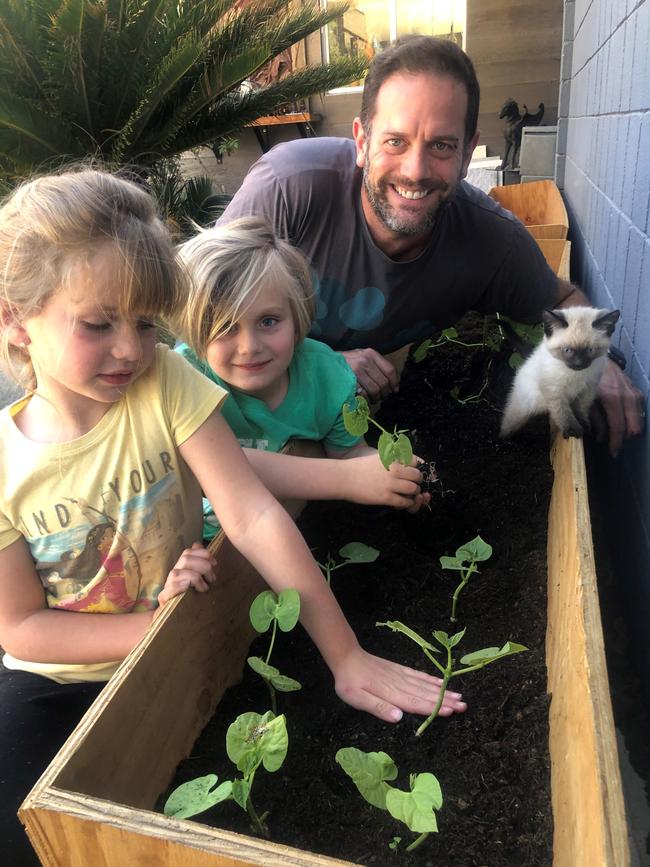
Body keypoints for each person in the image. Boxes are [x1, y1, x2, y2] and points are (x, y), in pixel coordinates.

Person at [0, 170, 465, 865]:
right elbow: (22, 627)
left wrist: (345, 655)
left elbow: (252, 513)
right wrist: (152, 631)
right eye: (99, 324)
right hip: (53, 683)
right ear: (13, 317)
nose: (131, 349)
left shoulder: (164, 382)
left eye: (148, 323)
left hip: (190, 635)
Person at [218, 35, 643, 457]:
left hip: (337, 429)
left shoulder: (490, 241)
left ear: (467, 153)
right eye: (395, 141)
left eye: (441, 146)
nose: (415, 171)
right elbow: (198, 313)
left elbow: (564, 298)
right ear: (362, 142)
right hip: (236, 415)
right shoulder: (289, 190)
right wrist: (323, 366)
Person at [173, 216, 428, 541]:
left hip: (273, 532)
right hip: (187, 541)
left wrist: (394, 474)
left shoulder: (327, 377)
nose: (249, 347)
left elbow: (348, 454)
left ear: (297, 317)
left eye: (268, 321)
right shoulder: (185, 378)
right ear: (195, 332)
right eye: (225, 327)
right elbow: (214, 462)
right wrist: (344, 479)